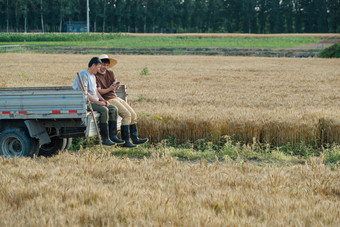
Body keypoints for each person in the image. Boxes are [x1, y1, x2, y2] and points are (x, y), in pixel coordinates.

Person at [95, 54, 148, 148]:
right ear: (99, 64)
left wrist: (116, 86)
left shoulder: (110, 73)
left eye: (106, 65)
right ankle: (126, 141)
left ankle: (135, 138)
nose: (105, 67)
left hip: (115, 97)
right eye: (103, 64)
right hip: (108, 99)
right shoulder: (96, 76)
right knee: (126, 115)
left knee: (133, 115)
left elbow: (114, 85)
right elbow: (99, 91)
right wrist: (110, 88)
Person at [72, 57, 124, 146]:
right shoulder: (84, 75)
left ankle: (113, 136)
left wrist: (104, 100)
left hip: (95, 101)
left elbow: (96, 92)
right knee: (104, 110)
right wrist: (98, 102)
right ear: (93, 65)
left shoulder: (93, 76)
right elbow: (85, 93)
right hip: (85, 102)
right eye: (98, 67)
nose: (99, 69)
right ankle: (105, 138)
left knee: (113, 108)